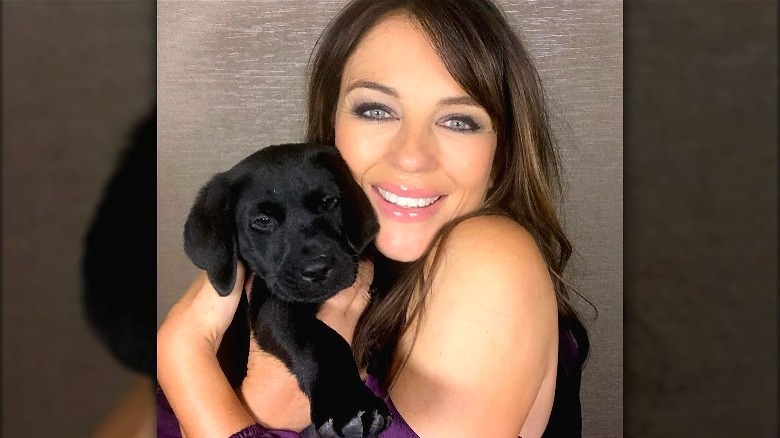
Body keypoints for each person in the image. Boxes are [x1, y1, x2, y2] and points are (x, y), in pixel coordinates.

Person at [157, 0, 590, 437]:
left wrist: (184, 356)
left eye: (459, 120)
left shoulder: (490, 258)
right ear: (332, 126)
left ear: (502, 151)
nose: (411, 157)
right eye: (376, 110)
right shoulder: (300, 248)